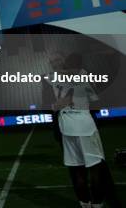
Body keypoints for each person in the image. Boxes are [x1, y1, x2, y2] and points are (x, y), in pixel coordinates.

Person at [50, 52, 118, 208]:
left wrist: (58, 105)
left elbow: (57, 104)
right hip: (84, 125)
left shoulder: (54, 78)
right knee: (95, 167)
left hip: (66, 126)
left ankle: (85, 204)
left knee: (77, 170)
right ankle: (97, 204)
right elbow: (92, 99)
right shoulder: (82, 74)